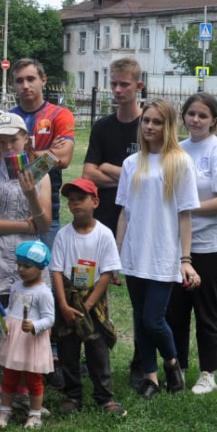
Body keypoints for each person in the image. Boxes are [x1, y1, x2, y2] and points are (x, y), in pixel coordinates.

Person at [116, 99, 200, 399]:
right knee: (140, 318)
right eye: (146, 121)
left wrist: (185, 259)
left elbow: (185, 213)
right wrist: (117, 253)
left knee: (154, 318)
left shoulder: (179, 161)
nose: (150, 126)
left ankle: (172, 361)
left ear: (168, 126)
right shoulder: (131, 163)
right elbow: (124, 212)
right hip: (135, 253)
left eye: (157, 122)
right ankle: (151, 377)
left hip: (164, 252)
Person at [0, 113, 52, 414]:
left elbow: (43, 223)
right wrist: (23, 225)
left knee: (24, 325)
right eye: (1, 141)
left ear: (25, 139)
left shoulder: (40, 173)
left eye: (12, 139)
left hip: (28, 262)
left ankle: (20, 388)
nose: (7, 146)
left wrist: (31, 194)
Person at [167, 93, 217, 396]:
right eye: (191, 114)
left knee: (205, 310)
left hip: (209, 245)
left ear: (214, 121)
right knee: (176, 311)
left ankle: (208, 373)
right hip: (175, 243)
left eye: (202, 116)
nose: (195, 120)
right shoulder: (177, 151)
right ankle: (178, 367)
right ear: (183, 116)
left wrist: (187, 206)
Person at [81, 58, 145, 390]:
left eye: (124, 84)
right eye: (114, 83)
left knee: (139, 295)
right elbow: (88, 174)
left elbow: (150, 178)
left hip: (140, 222)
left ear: (139, 86)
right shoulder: (102, 127)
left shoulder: (149, 127)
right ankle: (92, 355)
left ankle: (141, 362)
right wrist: (130, 177)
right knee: (91, 290)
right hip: (103, 218)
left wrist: (113, 170)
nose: (118, 90)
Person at [50, 178, 126, 416]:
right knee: (68, 350)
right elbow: (57, 271)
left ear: (95, 201)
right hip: (69, 300)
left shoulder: (104, 234)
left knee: (97, 348)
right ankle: (73, 395)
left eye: (80, 199)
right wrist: (63, 305)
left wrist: (90, 304)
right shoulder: (63, 235)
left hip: (94, 301)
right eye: (71, 200)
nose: (75, 204)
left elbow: (107, 272)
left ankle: (104, 396)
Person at [10, 59, 74, 248]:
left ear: (43, 80)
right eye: (19, 81)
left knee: (45, 270)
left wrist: (27, 151)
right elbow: (2, 158)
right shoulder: (9, 117)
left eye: (31, 79)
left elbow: (63, 158)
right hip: (12, 207)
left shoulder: (59, 115)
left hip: (48, 207)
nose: (25, 85)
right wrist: (49, 153)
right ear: (13, 85)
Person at [0, 241, 56, 430]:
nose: (21, 269)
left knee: (33, 379)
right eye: (19, 264)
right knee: (9, 376)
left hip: (31, 342)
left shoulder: (43, 293)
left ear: (40, 268)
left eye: (26, 266)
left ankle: (35, 414)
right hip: (14, 340)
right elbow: (12, 309)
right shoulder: (16, 287)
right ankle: (5, 409)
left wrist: (35, 325)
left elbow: (50, 318)